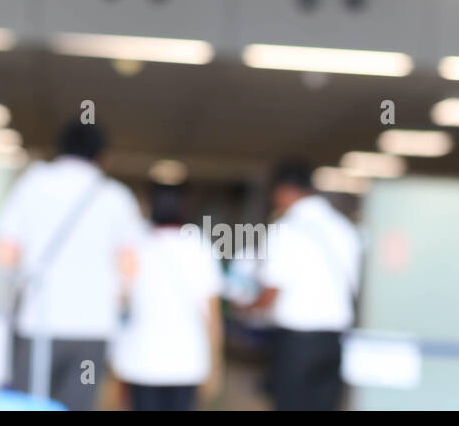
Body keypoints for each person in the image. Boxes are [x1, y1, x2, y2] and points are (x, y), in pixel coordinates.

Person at [0, 121, 141, 411]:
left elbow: (4, 255)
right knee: (77, 405)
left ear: (58, 150)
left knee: (27, 405)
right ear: (103, 157)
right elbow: (130, 268)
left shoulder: (32, 185)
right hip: (93, 328)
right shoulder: (117, 197)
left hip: (39, 321)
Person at [249, 161, 361, 411]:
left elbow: (271, 292)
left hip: (297, 343)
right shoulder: (344, 228)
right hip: (335, 340)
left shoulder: (285, 229)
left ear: (283, 190)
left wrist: (247, 307)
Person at [111, 185, 224, 411]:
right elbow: (212, 311)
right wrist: (216, 362)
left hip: (141, 358)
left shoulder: (134, 245)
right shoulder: (198, 246)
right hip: (187, 360)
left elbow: (119, 300)